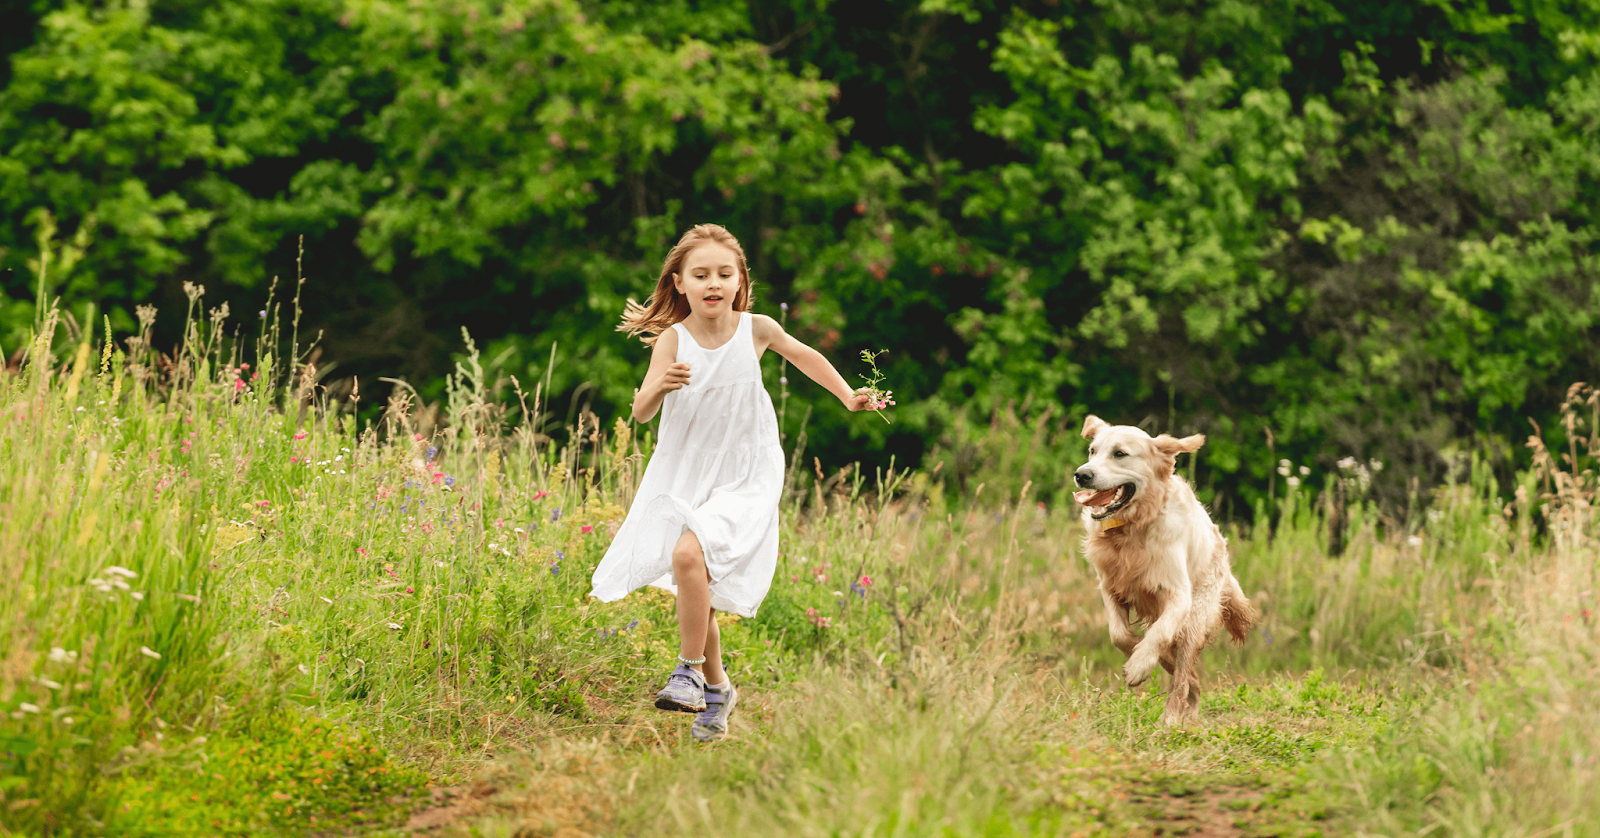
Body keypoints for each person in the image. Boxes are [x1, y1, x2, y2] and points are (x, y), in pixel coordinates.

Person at [588, 223, 870, 743]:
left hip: (747, 469)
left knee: (689, 559)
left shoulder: (755, 328)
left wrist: (849, 395)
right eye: (701, 274)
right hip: (687, 470)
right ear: (679, 283)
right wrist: (660, 386)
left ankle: (688, 671)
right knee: (698, 583)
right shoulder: (673, 339)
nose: (713, 283)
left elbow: (804, 355)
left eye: (724, 273)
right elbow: (643, 411)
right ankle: (716, 689)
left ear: (740, 281)